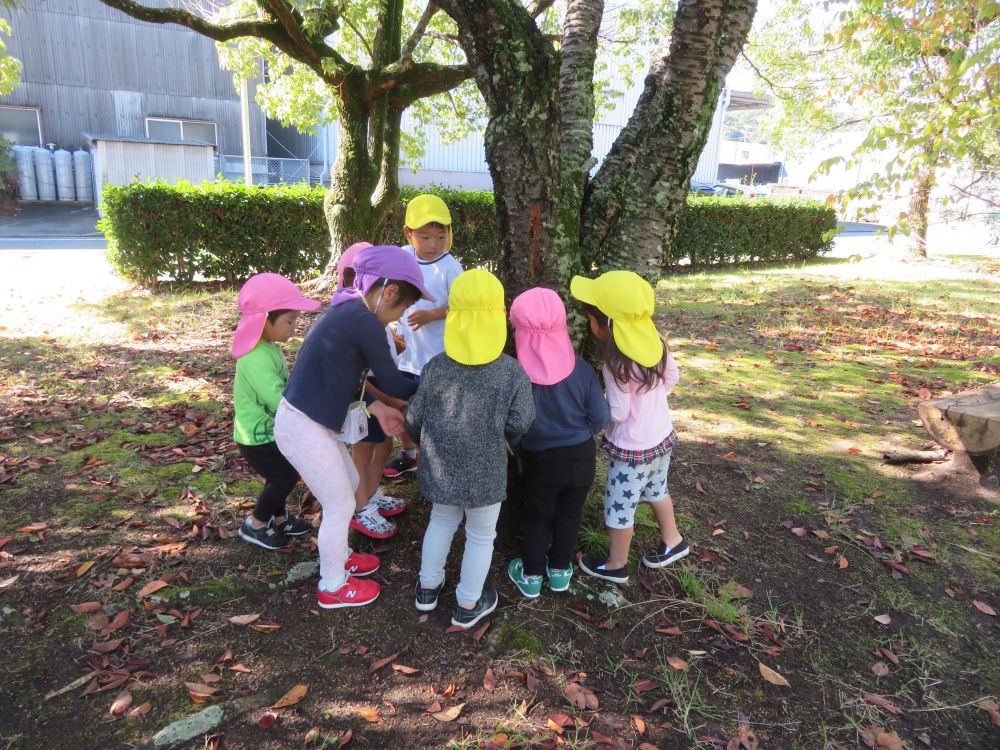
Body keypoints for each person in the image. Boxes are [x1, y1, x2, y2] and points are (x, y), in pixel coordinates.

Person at [275, 246, 436, 609]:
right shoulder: (363, 320)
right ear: (390, 291)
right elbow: (393, 381)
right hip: (303, 427)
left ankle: (341, 556)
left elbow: (351, 379)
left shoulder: (349, 310)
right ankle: (332, 585)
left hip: (313, 423)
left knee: (348, 485)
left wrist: (377, 408)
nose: (399, 316)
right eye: (401, 308)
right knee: (340, 503)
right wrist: (438, 388)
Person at [407, 269, 535, 628]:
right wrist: (505, 439)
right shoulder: (511, 372)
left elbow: (413, 418)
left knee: (441, 520)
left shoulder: (435, 368)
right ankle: (467, 604)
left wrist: (425, 439)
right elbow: (522, 419)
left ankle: (428, 588)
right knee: (481, 535)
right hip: (488, 470)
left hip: (441, 468)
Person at [570, 270, 688, 584]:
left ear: (604, 325)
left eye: (590, 319)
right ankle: (673, 540)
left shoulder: (615, 364)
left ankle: (616, 564)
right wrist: (651, 402)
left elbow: (619, 413)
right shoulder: (658, 342)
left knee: (619, 507)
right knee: (657, 490)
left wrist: (595, 410)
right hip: (661, 437)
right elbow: (672, 379)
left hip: (632, 450)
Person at [506, 288, 610, 598]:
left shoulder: (517, 375)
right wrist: (581, 432)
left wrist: (518, 442)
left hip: (540, 460)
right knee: (569, 514)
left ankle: (532, 575)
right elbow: (600, 415)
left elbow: (517, 423)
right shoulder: (581, 371)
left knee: (538, 516)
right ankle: (561, 572)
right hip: (581, 457)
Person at [231, 273, 321, 550]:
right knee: (284, 476)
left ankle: (280, 518)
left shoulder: (267, 347)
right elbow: (275, 396)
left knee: (282, 473)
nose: (294, 327)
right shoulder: (255, 357)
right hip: (257, 437)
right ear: (264, 320)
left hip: (272, 430)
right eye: (289, 321)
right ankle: (255, 524)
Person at [383, 194, 464, 478]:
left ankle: (435, 462)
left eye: (440, 237)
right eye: (426, 236)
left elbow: (463, 305)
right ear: (409, 232)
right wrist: (393, 327)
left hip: (437, 357)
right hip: (406, 356)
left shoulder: (450, 267)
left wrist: (434, 314)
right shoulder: (402, 257)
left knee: (433, 414)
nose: (433, 244)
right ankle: (409, 453)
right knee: (404, 409)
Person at [335, 243, 408, 541]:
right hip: (365, 399)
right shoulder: (350, 321)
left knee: (383, 447)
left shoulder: (374, 319)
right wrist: (389, 398)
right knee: (362, 453)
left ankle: (372, 494)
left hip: (381, 396)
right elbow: (357, 376)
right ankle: (360, 507)